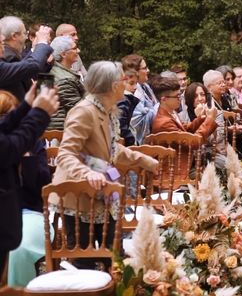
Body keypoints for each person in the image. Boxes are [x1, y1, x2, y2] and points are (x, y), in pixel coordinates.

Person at [50, 61, 158, 269]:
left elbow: (111, 150)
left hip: (102, 192)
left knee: (113, 252)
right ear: (111, 86)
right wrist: (86, 173)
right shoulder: (84, 111)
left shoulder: (107, 110)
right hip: (78, 197)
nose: (126, 83)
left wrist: (144, 160)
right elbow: (65, 153)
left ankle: (115, 285)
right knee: (85, 259)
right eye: (122, 80)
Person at [0, 82, 58, 277]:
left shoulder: (32, 143)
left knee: (20, 247)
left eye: (11, 114)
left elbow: (41, 186)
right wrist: (39, 113)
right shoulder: (13, 143)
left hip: (30, 213)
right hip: (8, 215)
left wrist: (28, 161)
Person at [0, 17, 54, 101]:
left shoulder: (12, 55)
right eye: (25, 33)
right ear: (14, 36)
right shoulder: (8, 57)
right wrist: (42, 43)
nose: (26, 38)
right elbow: (33, 66)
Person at [150, 76, 218, 138]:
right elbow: (191, 143)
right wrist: (210, 119)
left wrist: (201, 117)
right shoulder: (164, 123)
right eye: (177, 96)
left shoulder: (171, 112)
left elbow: (185, 129)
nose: (180, 99)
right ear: (164, 99)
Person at [47, 36, 84, 129]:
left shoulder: (53, 71)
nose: (78, 51)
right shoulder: (64, 79)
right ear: (63, 54)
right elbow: (80, 109)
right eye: (74, 48)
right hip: (63, 132)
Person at [123, 54, 157, 145]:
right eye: (145, 68)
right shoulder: (131, 94)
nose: (148, 70)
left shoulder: (145, 86)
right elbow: (138, 120)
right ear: (135, 72)